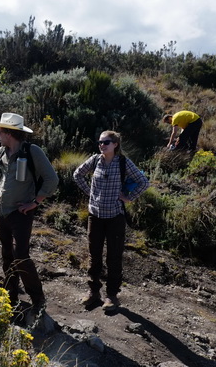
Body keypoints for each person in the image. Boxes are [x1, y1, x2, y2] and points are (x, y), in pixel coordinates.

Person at [0, 113, 59, 315]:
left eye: (0, 131)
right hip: (2, 212)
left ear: (9, 133)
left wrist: (35, 202)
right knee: (7, 254)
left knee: (21, 256)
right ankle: (11, 296)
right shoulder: (1, 151)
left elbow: (52, 179)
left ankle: (38, 300)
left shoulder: (32, 151)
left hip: (21, 214)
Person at [73, 130, 149, 311]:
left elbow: (143, 182)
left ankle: (112, 295)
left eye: (106, 142)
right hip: (95, 216)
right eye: (100, 142)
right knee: (94, 255)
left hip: (115, 217)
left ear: (115, 144)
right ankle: (93, 292)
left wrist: (129, 197)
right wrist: (90, 193)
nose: (102, 145)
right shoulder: (95, 160)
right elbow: (77, 175)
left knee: (114, 257)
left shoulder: (123, 162)